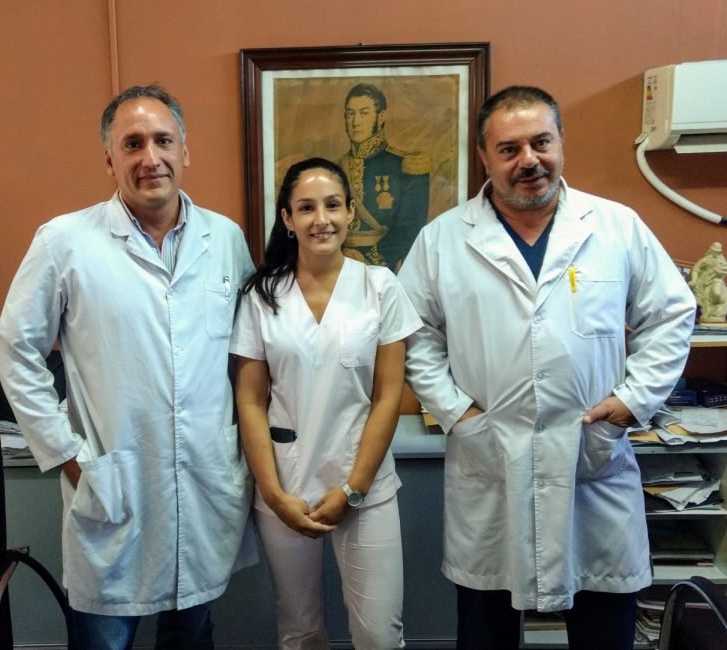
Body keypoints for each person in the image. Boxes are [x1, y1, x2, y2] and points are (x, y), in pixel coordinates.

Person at [398, 86, 696, 650]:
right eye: (509, 149)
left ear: (561, 142)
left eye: (541, 142)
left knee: (604, 629)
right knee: (485, 630)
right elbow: (413, 336)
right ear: (484, 157)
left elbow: (672, 314)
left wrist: (632, 401)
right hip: (491, 459)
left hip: (592, 461)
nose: (528, 160)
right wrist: (458, 413)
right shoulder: (442, 240)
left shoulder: (616, 226)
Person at [0, 84, 256, 650]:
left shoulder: (225, 239)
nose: (150, 157)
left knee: (192, 633)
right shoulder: (64, 242)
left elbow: (248, 356)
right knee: (104, 640)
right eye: (132, 144)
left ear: (185, 150)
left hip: (205, 484)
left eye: (163, 140)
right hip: (113, 487)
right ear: (109, 159)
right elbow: (14, 349)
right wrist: (66, 455)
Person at [230, 157, 421, 649]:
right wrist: (274, 495)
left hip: (364, 488)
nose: (322, 219)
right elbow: (250, 401)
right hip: (286, 488)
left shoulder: (380, 287)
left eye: (333, 205)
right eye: (307, 208)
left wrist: (353, 489)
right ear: (287, 219)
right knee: (299, 630)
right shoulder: (262, 297)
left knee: (379, 634)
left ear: (351, 212)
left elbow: (387, 397)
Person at [338, 82, 431, 272]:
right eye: (350, 114)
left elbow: (409, 227)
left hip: (386, 268)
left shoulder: (407, 165)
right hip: (336, 266)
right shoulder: (335, 168)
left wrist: (370, 260)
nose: (355, 122)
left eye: (364, 113)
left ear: (380, 117)